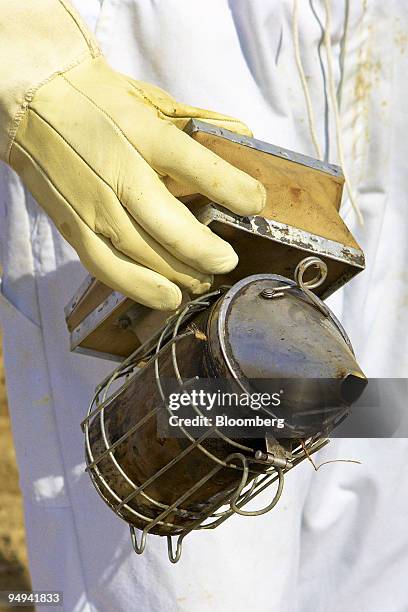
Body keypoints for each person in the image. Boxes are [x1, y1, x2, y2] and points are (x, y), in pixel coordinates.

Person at [0, 1, 407, 610]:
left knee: (371, 526)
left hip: (389, 63)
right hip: (157, 47)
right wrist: (21, 53)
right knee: (191, 582)